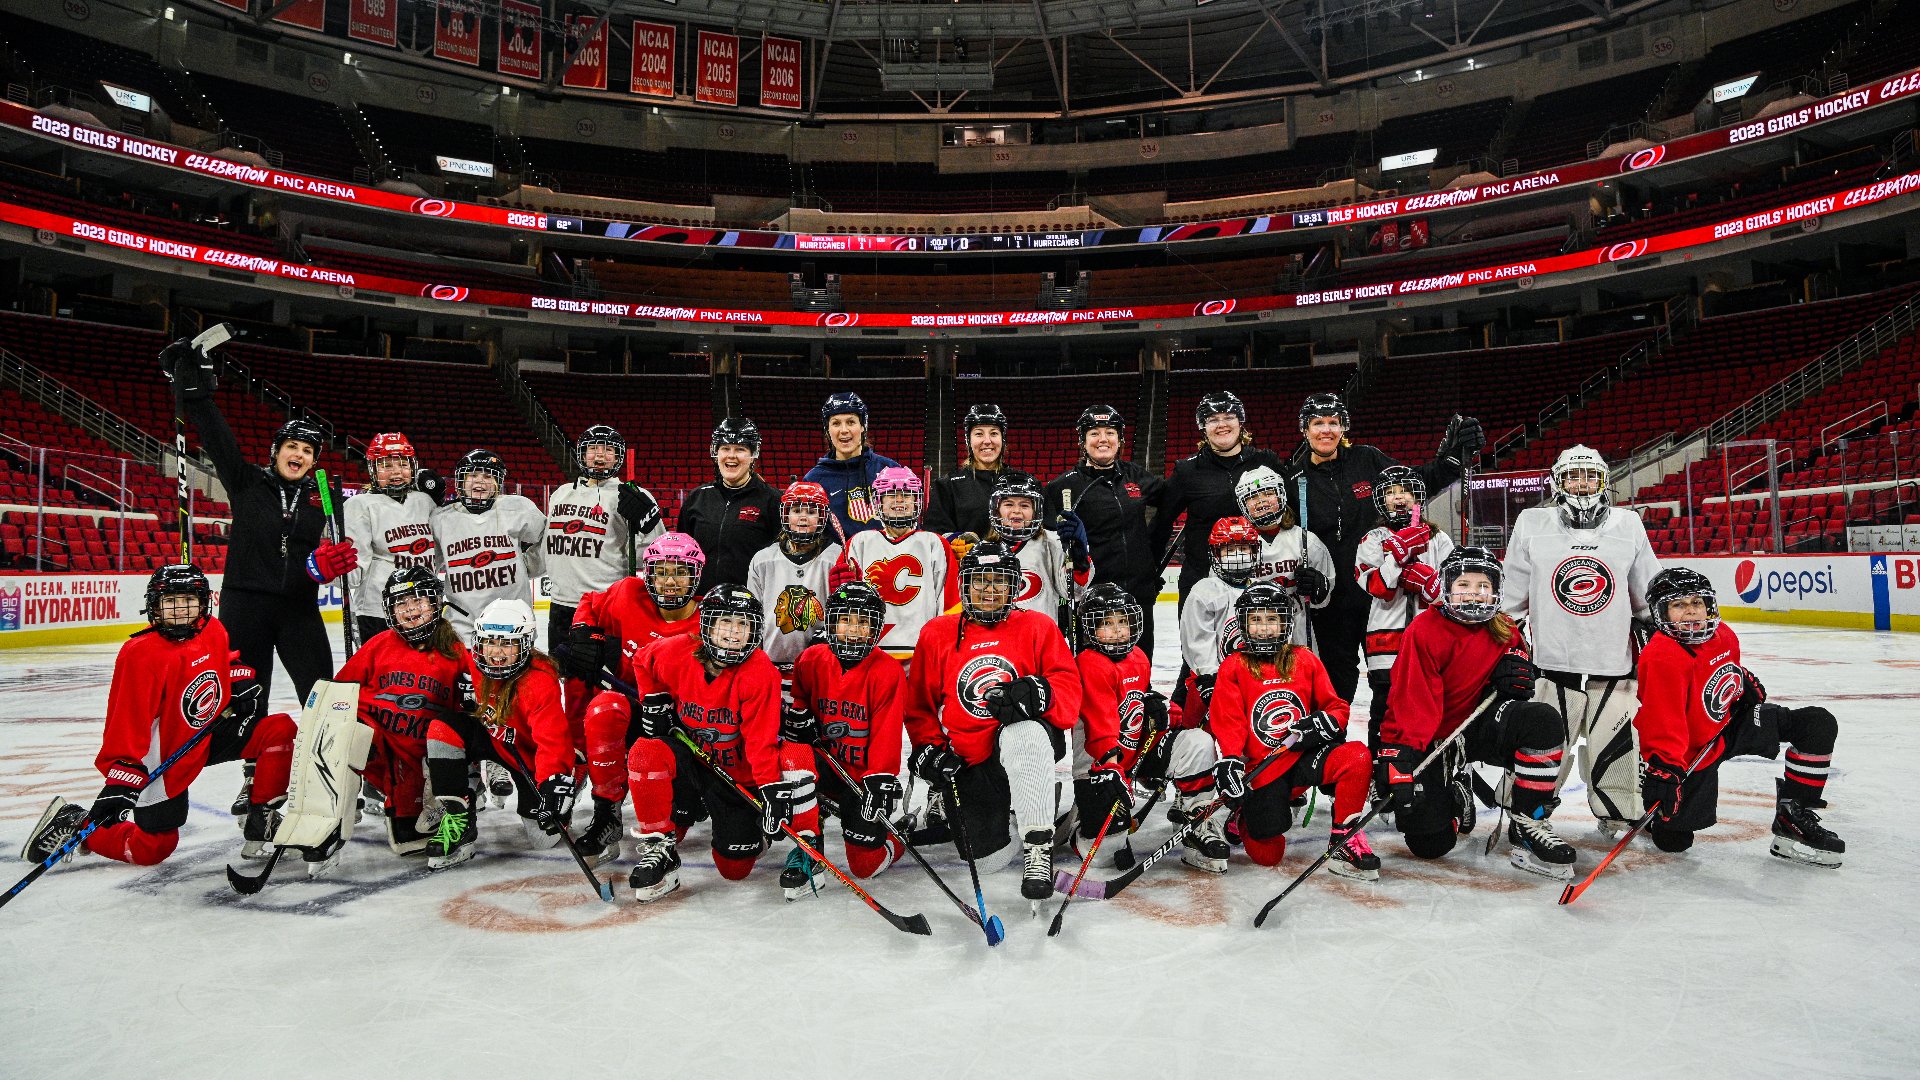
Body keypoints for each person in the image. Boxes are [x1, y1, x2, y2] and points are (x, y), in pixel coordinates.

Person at [21, 565, 297, 869]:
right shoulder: (140, 654)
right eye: (171, 602)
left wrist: (238, 678)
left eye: (189, 601)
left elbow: (224, 661)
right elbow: (125, 723)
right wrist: (121, 779)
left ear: (204, 602)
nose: (181, 610)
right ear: (154, 605)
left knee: (278, 729)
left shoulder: (212, 629)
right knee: (152, 849)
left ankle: (262, 818)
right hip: (167, 753)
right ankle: (78, 824)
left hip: (207, 733)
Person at [161, 335, 355, 706]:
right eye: (292, 446)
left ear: (314, 462)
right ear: (276, 452)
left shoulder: (325, 497)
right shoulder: (247, 481)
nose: (299, 454)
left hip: (299, 607)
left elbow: (341, 546)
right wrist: (194, 391)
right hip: (244, 604)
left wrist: (325, 564)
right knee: (248, 694)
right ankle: (254, 761)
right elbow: (218, 440)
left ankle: (323, 756)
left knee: (323, 694)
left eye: (307, 450)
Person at [1376, 547, 1576, 880]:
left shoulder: (1505, 628)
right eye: (1464, 584)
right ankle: (1454, 792)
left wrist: (1518, 678)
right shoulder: (1424, 629)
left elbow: (1520, 681)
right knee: (1430, 844)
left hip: (1479, 725)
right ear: (1447, 588)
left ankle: (1529, 820)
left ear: (1496, 591)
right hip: (1434, 735)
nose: (1474, 592)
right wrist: (1400, 754)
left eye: (1483, 585)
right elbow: (1410, 701)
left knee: (1541, 720)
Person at [905, 541, 1082, 903]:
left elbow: (1069, 690)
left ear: (1014, 586)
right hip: (971, 756)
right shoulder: (937, 633)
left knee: (1024, 731)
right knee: (988, 860)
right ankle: (1024, 811)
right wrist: (929, 749)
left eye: (999, 580)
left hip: (1028, 744)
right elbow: (919, 707)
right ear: (964, 585)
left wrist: (1040, 694)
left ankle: (1038, 844)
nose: (989, 589)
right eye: (980, 580)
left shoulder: (1038, 627)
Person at [1631, 568, 1844, 866]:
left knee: (1816, 724)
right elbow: (1661, 720)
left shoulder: (1723, 635)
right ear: (1660, 612)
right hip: (1692, 752)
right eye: (1678, 605)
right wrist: (1664, 768)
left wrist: (1741, 682)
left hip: (1730, 725)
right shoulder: (1662, 657)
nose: (1691, 611)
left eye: (1697, 602)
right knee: (1674, 841)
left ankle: (1793, 816)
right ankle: (1653, 811)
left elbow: (1720, 670)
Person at [1500, 444, 1659, 834]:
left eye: (1591, 475)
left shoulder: (1628, 524)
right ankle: (1528, 807)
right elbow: (1512, 597)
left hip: (1614, 659)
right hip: (1553, 659)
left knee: (1614, 740)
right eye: (1573, 475)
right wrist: (1501, 641)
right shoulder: (1531, 523)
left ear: (1604, 481)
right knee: (1545, 738)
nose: (1582, 484)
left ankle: (1617, 809)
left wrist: (1658, 633)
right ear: (1558, 481)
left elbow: (1646, 593)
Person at [1284, 392, 1482, 701]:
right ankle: (1335, 748)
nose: (1326, 430)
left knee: (1392, 685)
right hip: (1333, 603)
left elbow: (1415, 481)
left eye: (1333, 423)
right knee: (1337, 688)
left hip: (1382, 598)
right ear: (1304, 429)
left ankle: (1391, 745)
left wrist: (1452, 461)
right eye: (1317, 423)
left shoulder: (1367, 459)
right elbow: (1285, 533)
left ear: (1343, 428)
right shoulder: (1295, 479)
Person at [619, 585, 791, 902]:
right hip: (689, 759)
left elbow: (760, 741)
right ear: (707, 625)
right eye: (726, 622)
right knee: (646, 751)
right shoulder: (678, 651)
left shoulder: (760, 672)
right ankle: (661, 848)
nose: (734, 632)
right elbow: (642, 661)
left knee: (734, 869)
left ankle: (751, 832)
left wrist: (768, 787)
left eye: (743, 624)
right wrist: (654, 700)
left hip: (734, 775)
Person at [1208, 584, 1375, 879]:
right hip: (1263, 769)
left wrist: (1325, 722)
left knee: (1357, 757)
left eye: (1271, 619)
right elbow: (1229, 721)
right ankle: (1244, 817)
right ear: (1243, 624)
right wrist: (1232, 759)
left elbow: (1336, 706)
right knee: (1268, 855)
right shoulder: (1234, 666)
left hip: (1301, 757)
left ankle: (1344, 841)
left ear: (1285, 622)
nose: (1264, 628)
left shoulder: (1304, 659)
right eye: (1256, 620)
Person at [565, 533, 705, 865]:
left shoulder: (708, 622)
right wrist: (585, 630)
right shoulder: (629, 594)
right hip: (630, 711)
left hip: (678, 729)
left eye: (680, 572)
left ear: (696, 575)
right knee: (603, 708)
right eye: (661, 571)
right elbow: (589, 601)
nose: (669, 581)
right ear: (648, 573)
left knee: (677, 826)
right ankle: (606, 814)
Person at [776, 582, 910, 896]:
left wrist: (879, 779)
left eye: (863, 622)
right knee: (793, 755)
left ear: (876, 628)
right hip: (819, 770)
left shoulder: (887, 671)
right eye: (846, 619)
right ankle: (808, 846)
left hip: (859, 778)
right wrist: (798, 721)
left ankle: (898, 836)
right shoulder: (811, 660)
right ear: (832, 622)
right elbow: (796, 715)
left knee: (865, 867)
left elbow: (887, 736)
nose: (853, 629)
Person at [421, 598, 574, 869]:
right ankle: (459, 817)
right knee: (442, 729)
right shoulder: (475, 663)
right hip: (493, 739)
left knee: (541, 838)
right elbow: (448, 647)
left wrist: (553, 781)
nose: (496, 653)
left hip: (527, 758)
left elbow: (553, 741)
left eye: (507, 643)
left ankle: (562, 806)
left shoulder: (539, 682)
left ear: (526, 645)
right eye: (490, 642)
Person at [331, 567, 468, 856]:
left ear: (435, 603)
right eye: (400, 604)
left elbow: (467, 716)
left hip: (417, 761)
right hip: (376, 746)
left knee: (407, 841)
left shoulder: (455, 652)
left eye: (417, 601)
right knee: (342, 732)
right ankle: (330, 814)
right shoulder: (379, 644)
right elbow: (338, 692)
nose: (409, 610)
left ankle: (430, 798)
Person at [1071, 584, 1187, 867]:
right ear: (1090, 628)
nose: (1118, 630)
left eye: (1122, 621)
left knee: (1194, 744)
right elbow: (1101, 725)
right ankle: (1080, 829)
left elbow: (1138, 700)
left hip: (1129, 755)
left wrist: (1165, 711)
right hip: (1098, 764)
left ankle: (1190, 811)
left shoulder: (1137, 656)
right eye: (1107, 624)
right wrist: (1111, 769)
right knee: (1101, 856)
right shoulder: (1089, 663)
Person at [1044, 405, 1167, 657]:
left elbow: (1172, 503)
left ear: (1120, 440)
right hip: (1092, 597)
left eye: (1110, 432)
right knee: (1094, 670)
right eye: (1094, 433)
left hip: (1138, 593)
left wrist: (1150, 562)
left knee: (1139, 663)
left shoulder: (1135, 476)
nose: (1103, 439)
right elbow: (1049, 543)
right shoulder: (1062, 487)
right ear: (1083, 441)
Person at [544, 424, 664, 668]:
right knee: (561, 678)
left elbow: (653, 553)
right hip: (560, 605)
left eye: (608, 449)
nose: (599, 455)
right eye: (593, 449)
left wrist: (649, 523)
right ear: (581, 454)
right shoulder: (560, 493)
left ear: (618, 457)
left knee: (602, 680)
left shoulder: (632, 495)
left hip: (603, 606)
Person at [1354, 465, 1456, 749]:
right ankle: (1381, 771)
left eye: (1406, 492)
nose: (1399, 498)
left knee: (1432, 704)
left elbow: (1451, 594)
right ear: (1381, 500)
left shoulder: (1439, 539)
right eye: (1391, 492)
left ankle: (1428, 768)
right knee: (1384, 709)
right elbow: (1377, 588)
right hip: (1386, 640)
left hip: (1431, 638)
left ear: (1418, 499)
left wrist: (1430, 585)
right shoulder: (1373, 539)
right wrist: (1396, 557)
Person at [1154, 391, 1286, 606]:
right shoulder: (1187, 471)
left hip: (1259, 576)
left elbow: (1291, 513)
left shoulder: (1265, 461)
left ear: (1240, 422)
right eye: (1213, 420)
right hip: (1201, 578)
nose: (1221, 424)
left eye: (1228, 417)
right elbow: (1161, 523)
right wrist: (1149, 569)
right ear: (1203, 427)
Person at [834, 466, 956, 660]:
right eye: (891, 494)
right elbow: (841, 600)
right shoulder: (859, 542)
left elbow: (949, 603)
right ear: (878, 502)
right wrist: (840, 592)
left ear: (917, 501)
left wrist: (942, 648)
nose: (899, 500)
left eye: (907, 494)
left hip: (923, 653)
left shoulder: (935, 544)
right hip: (869, 653)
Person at [432, 448, 546, 641]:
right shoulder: (441, 519)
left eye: (487, 476)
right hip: (463, 631)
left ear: (497, 483)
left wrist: (528, 565)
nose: (480, 481)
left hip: (515, 624)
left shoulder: (518, 508)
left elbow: (548, 538)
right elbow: (428, 563)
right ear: (461, 482)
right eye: (473, 475)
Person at [343, 432, 443, 646]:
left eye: (403, 464)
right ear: (373, 469)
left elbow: (439, 552)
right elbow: (353, 570)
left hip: (424, 608)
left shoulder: (424, 501)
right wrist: (336, 569)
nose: (397, 472)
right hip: (379, 610)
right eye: (386, 465)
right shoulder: (360, 505)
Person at [747, 481, 842, 672]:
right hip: (770, 664)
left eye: (811, 511)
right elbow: (752, 615)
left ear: (823, 516)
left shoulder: (836, 557)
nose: (803, 517)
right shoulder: (763, 559)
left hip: (820, 666)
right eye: (797, 510)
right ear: (785, 514)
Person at [677, 417, 781, 592]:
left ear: (753, 454)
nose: (731, 455)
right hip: (701, 602)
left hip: (750, 607)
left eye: (740, 449)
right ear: (716, 453)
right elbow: (683, 555)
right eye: (725, 448)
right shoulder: (697, 498)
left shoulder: (773, 500)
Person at [1233, 466, 1333, 644]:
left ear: (1281, 495)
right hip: (1251, 636)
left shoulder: (1306, 541)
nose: (1261, 501)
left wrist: (1318, 587)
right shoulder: (1234, 547)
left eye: (1268, 493)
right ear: (1243, 504)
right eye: (1253, 497)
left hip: (1297, 635)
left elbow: (1323, 599)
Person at [1179, 516, 1261, 717]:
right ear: (1216, 554)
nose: (1236, 556)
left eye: (1243, 549)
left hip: (1255, 682)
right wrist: (1209, 677)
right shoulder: (1204, 591)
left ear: (1254, 552)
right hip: (1210, 683)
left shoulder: (1262, 589)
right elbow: (1197, 641)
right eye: (1229, 550)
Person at [926, 403, 1035, 550]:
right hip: (966, 569)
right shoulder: (947, 486)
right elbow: (935, 536)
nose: (987, 441)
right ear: (968, 440)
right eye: (979, 433)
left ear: (1002, 439)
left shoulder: (1026, 483)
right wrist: (959, 542)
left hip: (1017, 567)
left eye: (994, 433)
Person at [986, 475, 1091, 624]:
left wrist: (1079, 558)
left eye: (1024, 505)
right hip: (998, 640)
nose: (1016, 511)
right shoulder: (982, 551)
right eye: (1009, 504)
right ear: (996, 509)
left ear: (1037, 510)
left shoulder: (1054, 543)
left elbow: (1075, 592)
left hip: (1041, 638)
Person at [804, 392, 902, 538]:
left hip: (888, 558)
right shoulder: (813, 481)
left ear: (863, 426)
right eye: (836, 423)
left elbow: (909, 524)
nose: (844, 430)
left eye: (851, 422)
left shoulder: (890, 470)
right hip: (838, 559)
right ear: (827, 430)